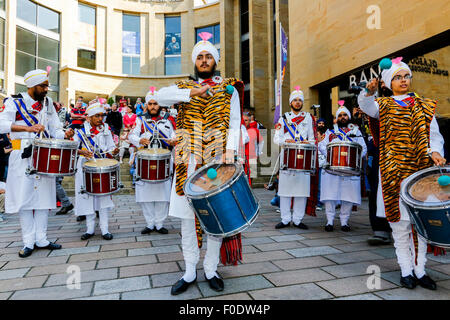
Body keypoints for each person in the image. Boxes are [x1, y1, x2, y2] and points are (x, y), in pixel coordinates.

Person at [157, 32, 243, 295]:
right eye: (200, 57)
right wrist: (191, 92)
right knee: (187, 218)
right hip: (188, 161)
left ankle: (211, 269)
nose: (204, 61)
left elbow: (236, 122)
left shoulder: (228, 87)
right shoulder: (183, 88)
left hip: (216, 159)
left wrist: (229, 152)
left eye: (209, 57)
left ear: (215, 60)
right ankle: (189, 270)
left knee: (215, 219)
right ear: (195, 62)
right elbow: (160, 96)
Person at [358, 57, 446, 290]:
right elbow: (366, 107)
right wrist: (368, 93)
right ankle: (406, 271)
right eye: (397, 77)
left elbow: (435, 135)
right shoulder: (383, 105)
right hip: (393, 175)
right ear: (388, 83)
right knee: (400, 226)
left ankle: (421, 270)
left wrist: (436, 151)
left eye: (406, 76)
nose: (403, 80)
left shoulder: (425, 106)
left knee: (421, 225)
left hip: (420, 173)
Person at [0, 68, 74, 258]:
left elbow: (55, 128)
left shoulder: (48, 103)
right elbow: (1, 123)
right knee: (25, 200)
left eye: (47, 86)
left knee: (43, 199)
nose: (46, 89)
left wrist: (64, 133)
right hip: (21, 154)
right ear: (32, 86)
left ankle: (41, 239)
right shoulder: (14, 101)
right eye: (43, 86)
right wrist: (27, 127)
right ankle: (28, 242)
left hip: (44, 154)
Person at [129, 87, 177, 235]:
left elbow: (175, 135)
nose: (153, 106)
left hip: (164, 162)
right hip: (145, 163)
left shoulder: (168, 120)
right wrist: (139, 140)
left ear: (160, 104)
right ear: (146, 105)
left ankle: (159, 223)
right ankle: (150, 224)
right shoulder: (140, 120)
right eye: (150, 104)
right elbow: (132, 136)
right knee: (145, 195)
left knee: (163, 196)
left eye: (155, 104)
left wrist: (174, 140)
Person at [74, 101, 120, 241]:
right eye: (97, 116)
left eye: (102, 116)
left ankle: (105, 229)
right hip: (85, 167)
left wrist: (115, 150)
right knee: (87, 197)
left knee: (104, 197)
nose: (100, 119)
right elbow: (73, 148)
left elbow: (111, 147)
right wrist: (81, 151)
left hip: (102, 166)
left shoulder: (106, 130)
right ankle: (90, 229)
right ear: (89, 117)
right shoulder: (80, 132)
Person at [319, 101, 367, 232]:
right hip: (333, 169)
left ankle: (344, 222)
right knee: (330, 195)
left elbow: (364, 148)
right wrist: (330, 154)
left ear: (349, 117)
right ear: (336, 118)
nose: (342, 117)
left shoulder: (356, 131)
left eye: (345, 115)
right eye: (340, 115)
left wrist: (355, 158)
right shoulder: (330, 132)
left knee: (348, 196)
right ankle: (329, 221)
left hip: (350, 170)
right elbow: (322, 145)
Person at [273, 86, 316, 230]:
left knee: (302, 191)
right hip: (287, 156)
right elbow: (276, 139)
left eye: (300, 100)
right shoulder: (283, 118)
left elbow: (312, 139)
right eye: (295, 100)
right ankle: (285, 219)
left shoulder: (309, 118)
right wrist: (286, 141)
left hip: (303, 157)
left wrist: (307, 142)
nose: (297, 102)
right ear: (290, 102)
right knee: (285, 190)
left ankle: (297, 220)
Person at [243, 112, 264, 182]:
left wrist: (258, 153)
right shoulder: (237, 130)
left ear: (249, 121)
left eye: (246, 120)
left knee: (250, 177)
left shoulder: (255, 131)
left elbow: (261, 142)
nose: (244, 122)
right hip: (240, 157)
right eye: (243, 120)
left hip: (251, 156)